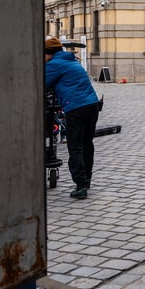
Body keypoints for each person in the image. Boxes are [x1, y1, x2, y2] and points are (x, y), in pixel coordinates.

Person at [44, 37, 100, 199]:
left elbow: (41, 84)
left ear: (49, 54)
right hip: (92, 105)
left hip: (76, 108)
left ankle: (80, 185)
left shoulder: (54, 65)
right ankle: (86, 179)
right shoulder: (72, 61)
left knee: (75, 146)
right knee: (87, 143)